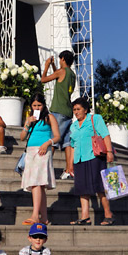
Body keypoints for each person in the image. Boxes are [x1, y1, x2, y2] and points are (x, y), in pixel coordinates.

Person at [68, 96, 115, 225]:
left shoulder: (95, 119)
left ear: (85, 109)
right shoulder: (73, 126)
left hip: (95, 157)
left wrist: (110, 152)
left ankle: (108, 214)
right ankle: (85, 217)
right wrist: (70, 163)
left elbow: (105, 135)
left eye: (78, 109)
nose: (76, 112)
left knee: (99, 186)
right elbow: (72, 145)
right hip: (79, 159)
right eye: (74, 110)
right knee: (82, 188)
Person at [19, 93, 60, 226]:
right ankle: (44, 218)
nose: (37, 107)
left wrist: (47, 143)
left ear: (43, 105)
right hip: (31, 151)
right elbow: (22, 137)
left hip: (43, 150)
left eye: (39, 105)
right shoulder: (30, 118)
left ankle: (35, 215)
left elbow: (57, 136)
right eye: (34, 105)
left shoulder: (49, 117)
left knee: (36, 182)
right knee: (39, 184)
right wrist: (27, 124)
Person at [41, 50, 76, 180]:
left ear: (62, 59)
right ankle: (68, 170)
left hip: (58, 110)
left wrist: (46, 66)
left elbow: (43, 79)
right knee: (67, 142)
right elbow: (59, 77)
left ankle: (45, 168)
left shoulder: (61, 72)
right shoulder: (71, 74)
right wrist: (53, 66)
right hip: (67, 111)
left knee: (53, 140)